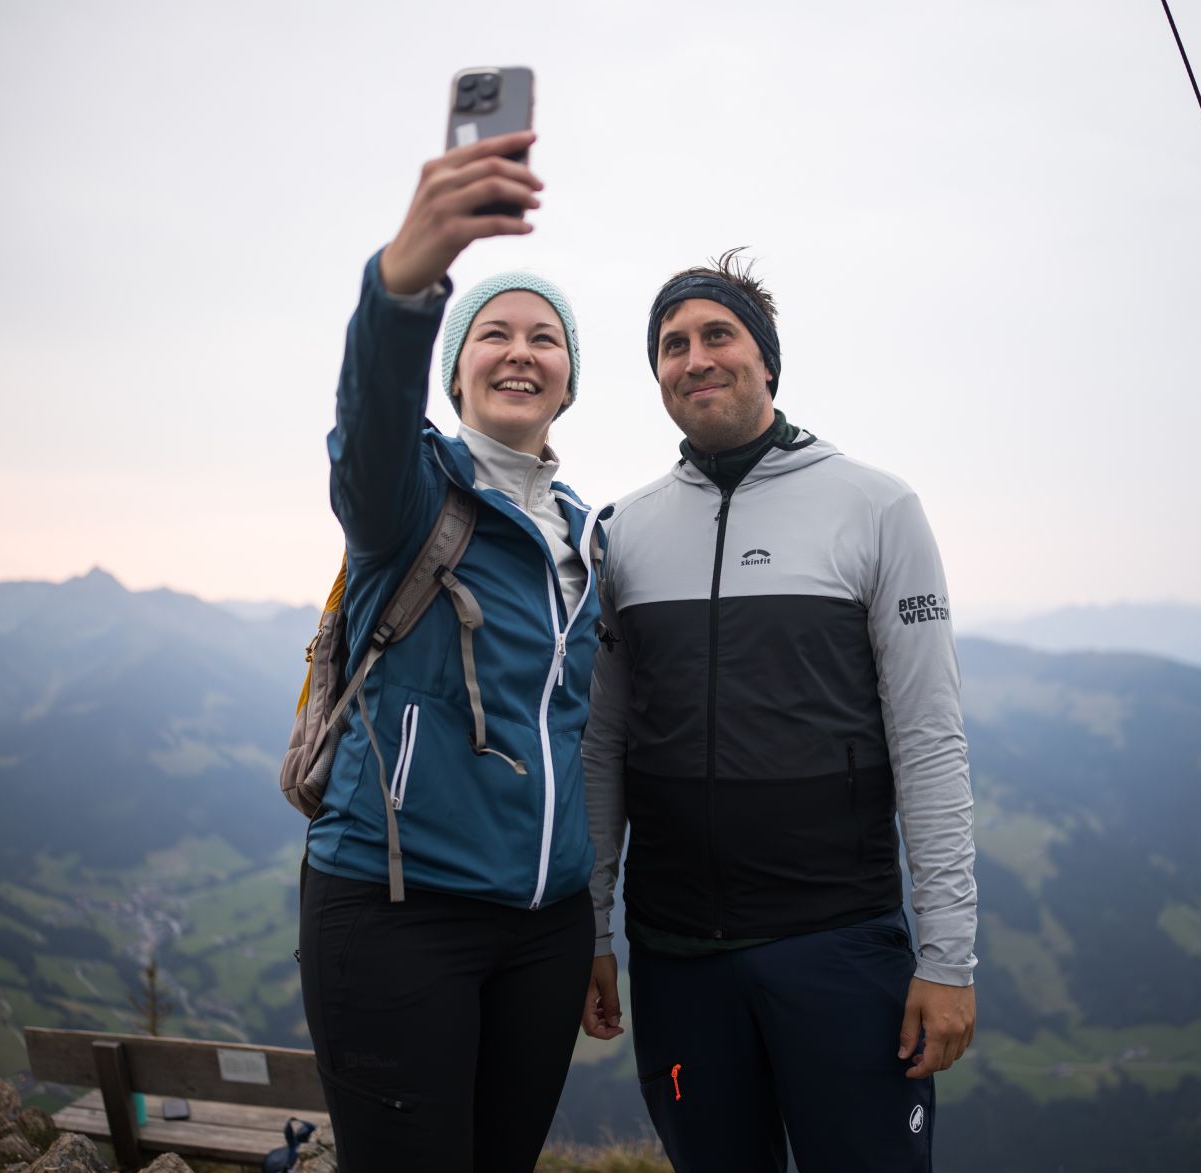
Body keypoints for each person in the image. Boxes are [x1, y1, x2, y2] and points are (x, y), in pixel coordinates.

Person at [580, 250, 978, 1170]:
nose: (694, 358)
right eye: (671, 345)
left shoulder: (876, 507)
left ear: (767, 360)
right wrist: (593, 929)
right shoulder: (623, 533)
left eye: (718, 333)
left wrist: (949, 957)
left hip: (839, 945)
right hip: (676, 957)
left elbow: (929, 739)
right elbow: (603, 747)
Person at [298, 130, 605, 1171]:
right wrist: (405, 282)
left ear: (567, 381)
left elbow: (581, 735)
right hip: (398, 911)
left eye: (544, 338)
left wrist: (595, 918)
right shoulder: (409, 496)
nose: (520, 350)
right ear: (456, 369)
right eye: (492, 333)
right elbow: (367, 421)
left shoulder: (586, 538)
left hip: (545, 928)